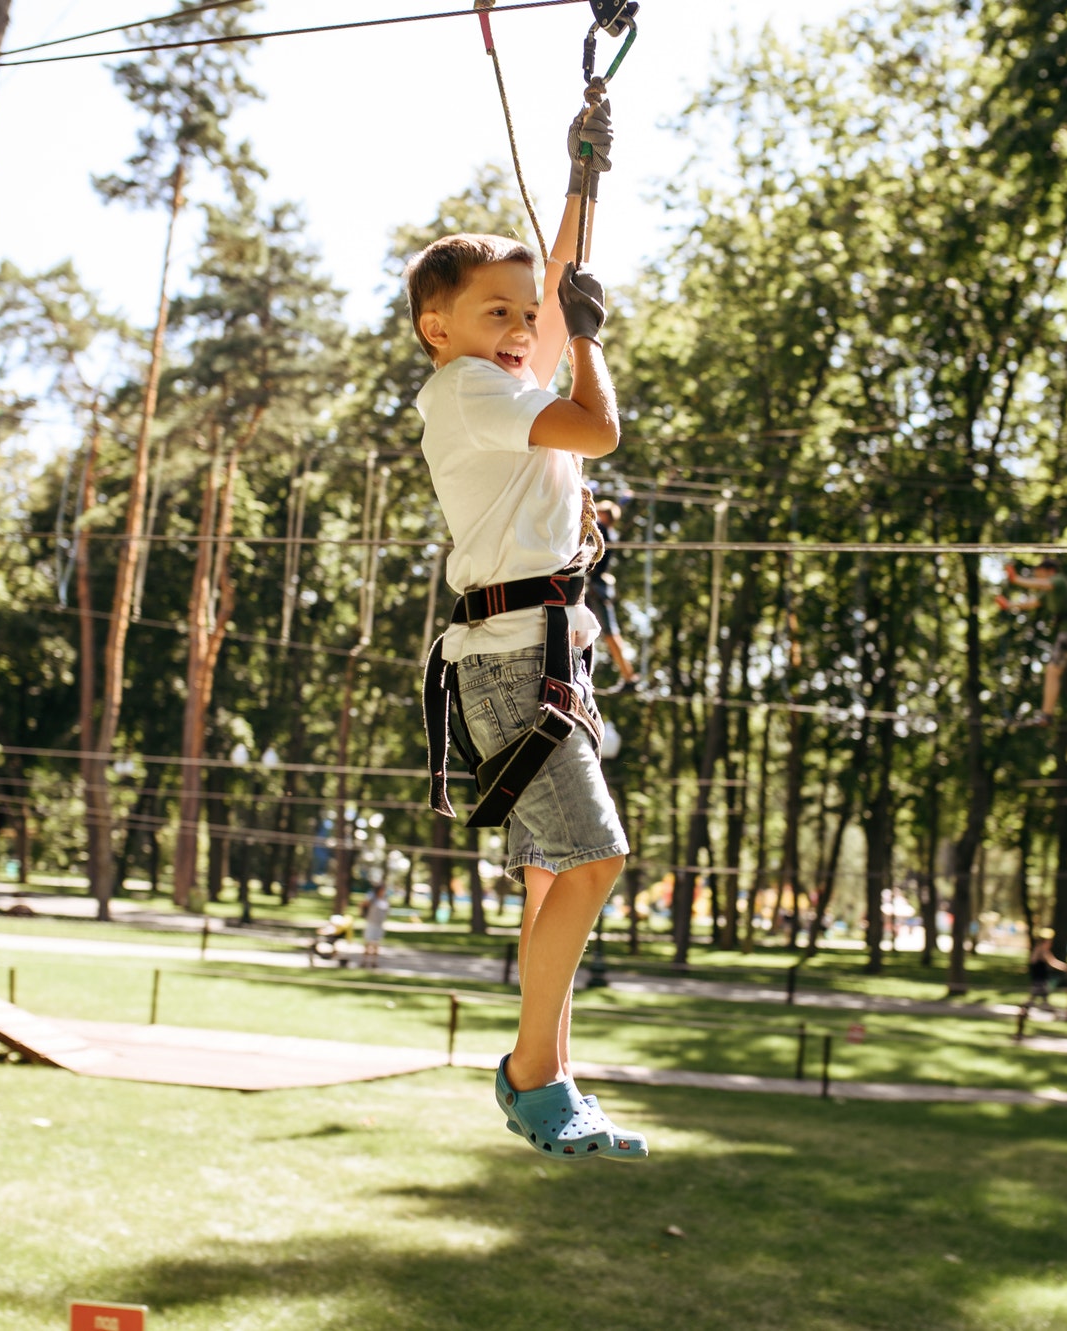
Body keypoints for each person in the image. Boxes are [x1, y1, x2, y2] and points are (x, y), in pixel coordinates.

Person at [409, 99, 643, 1161]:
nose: (518, 331)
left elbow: (557, 276)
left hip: (546, 656)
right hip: (511, 663)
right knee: (595, 860)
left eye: (522, 320)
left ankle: (551, 1073)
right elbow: (595, 423)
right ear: (439, 328)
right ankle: (533, 1075)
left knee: (558, 873)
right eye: (493, 314)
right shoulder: (468, 390)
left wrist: (581, 173)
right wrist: (583, 339)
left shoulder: (504, 382)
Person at [996, 558, 1067, 729]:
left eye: (1039, 571)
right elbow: (1033, 603)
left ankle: (1047, 715)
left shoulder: (1058, 580)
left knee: (1052, 671)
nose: (1037, 574)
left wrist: (1016, 579)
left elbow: (1040, 585)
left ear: (1049, 570)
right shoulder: (1050, 590)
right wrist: (1009, 605)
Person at [586, 498, 640, 691]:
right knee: (587, 630)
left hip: (596, 590)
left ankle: (629, 676)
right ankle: (628, 675)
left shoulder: (601, 530)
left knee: (609, 633)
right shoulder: (609, 532)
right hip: (597, 589)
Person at [1027, 928, 1067, 1009]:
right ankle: (1031, 1006)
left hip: (1040, 975)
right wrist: (1063, 966)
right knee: (1040, 990)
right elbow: (1051, 961)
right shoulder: (1041, 949)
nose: (1051, 943)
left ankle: (1037, 1004)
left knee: (1040, 992)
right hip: (1039, 975)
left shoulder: (1041, 948)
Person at [362, 884, 390, 969]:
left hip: (379, 924)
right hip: (371, 923)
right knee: (368, 942)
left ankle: (374, 961)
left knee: (376, 943)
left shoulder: (385, 900)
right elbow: (363, 904)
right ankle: (364, 961)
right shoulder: (372, 898)